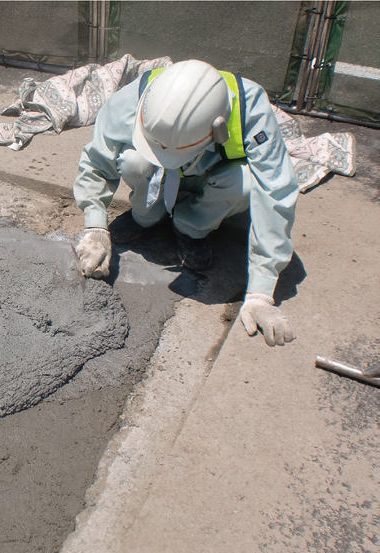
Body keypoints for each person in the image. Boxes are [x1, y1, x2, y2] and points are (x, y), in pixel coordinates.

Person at [73, 59, 298, 347]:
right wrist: (95, 225)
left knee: (248, 182)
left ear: (216, 130)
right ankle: (146, 217)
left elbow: (275, 193)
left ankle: (192, 228)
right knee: (133, 160)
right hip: (158, 176)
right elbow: (96, 162)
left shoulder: (250, 110)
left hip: (212, 181)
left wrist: (261, 290)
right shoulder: (130, 101)